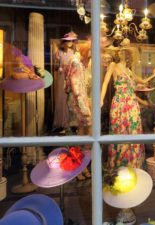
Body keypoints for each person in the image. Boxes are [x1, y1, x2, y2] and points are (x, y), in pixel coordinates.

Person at [100, 47, 155, 169]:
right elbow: (105, 82)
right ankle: (119, 164)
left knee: (133, 131)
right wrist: (101, 99)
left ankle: (133, 163)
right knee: (120, 131)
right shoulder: (113, 65)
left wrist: (153, 75)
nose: (122, 53)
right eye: (121, 51)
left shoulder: (129, 71)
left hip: (132, 104)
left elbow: (142, 81)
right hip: (120, 103)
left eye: (125, 52)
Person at [64, 43, 92, 181]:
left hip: (79, 100)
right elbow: (75, 85)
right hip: (77, 102)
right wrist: (83, 105)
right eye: (90, 52)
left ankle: (82, 167)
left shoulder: (76, 62)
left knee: (82, 134)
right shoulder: (75, 62)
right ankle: (78, 168)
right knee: (81, 134)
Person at [53, 31, 78, 131]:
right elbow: (56, 65)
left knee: (71, 99)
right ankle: (62, 123)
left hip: (71, 76)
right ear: (64, 42)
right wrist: (59, 68)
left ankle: (71, 123)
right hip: (62, 76)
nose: (70, 43)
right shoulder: (59, 53)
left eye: (71, 41)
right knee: (62, 98)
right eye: (68, 41)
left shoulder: (74, 53)